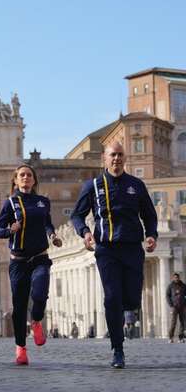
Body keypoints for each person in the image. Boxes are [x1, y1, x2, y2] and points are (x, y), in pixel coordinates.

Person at [70, 142, 157, 368]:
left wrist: (151, 235)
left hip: (132, 247)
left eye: (120, 154)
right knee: (112, 298)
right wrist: (85, 232)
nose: (116, 158)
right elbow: (77, 216)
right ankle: (118, 349)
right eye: (112, 155)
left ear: (124, 158)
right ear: (104, 158)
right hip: (106, 249)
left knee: (132, 300)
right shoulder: (93, 185)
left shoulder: (136, 185)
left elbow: (149, 214)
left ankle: (126, 309)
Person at [0, 164, 62, 366]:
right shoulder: (10, 203)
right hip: (19, 261)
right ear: (16, 180)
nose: (26, 177)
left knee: (40, 293)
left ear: (34, 180)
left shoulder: (43, 202)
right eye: (22, 175)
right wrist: (10, 230)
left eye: (29, 175)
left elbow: (47, 223)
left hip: (40, 256)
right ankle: (21, 348)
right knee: (19, 306)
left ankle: (36, 320)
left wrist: (52, 235)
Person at [167, 272, 186, 343]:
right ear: (173, 278)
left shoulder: (183, 285)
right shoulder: (170, 286)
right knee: (173, 322)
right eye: (175, 277)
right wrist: (171, 304)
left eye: (177, 277)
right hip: (174, 307)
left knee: (182, 322)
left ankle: (181, 337)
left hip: (182, 306)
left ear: (179, 278)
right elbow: (167, 295)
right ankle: (170, 337)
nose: (176, 278)